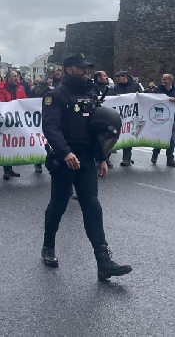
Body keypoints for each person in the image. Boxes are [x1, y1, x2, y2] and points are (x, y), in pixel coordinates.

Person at [41, 54, 132, 281]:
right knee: (58, 204)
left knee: (92, 206)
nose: (86, 71)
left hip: (86, 158)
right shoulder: (55, 96)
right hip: (64, 159)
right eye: (81, 68)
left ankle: (103, 261)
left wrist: (102, 158)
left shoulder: (90, 94)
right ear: (68, 69)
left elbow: (95, 128)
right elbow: (50, 128)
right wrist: (65, 152)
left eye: (87, 68)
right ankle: (48, 245)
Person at [0, 70, 27, 179]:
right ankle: (6, 169)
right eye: (14, 76)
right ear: (8, 78)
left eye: (17, 76)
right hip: (6, 120)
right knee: (6, 144)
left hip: (17, 120)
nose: (16, 78)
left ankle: (10, 168)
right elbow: (0, 104)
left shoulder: (21, 89)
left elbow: (25, 102)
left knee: (13, 144)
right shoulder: (0, 90)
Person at [151, 74, 175, 168]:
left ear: (171, 80)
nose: (163, 81)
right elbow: (150, 98)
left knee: (171, 139)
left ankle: (170, 159)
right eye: (163, 79)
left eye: (165, 79)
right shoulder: (158, 89)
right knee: (159, 137)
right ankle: (155, 153)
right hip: (159, 118)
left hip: (172, 118)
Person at [113, 71, 140, 166]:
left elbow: (141, 96)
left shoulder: (135, 86)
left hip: (130, 115)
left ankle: (127, 158)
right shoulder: (116, 87)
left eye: (119, 77)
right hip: (119, 114)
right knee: (113, 134)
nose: (117, 79)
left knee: (127, 135)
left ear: (125, 77)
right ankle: (106, 158)